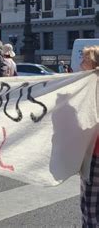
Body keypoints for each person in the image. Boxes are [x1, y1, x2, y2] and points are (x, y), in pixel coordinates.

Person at [79, 45, 99, 227]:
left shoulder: (94, 85)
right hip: (91, 151)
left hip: (96, 154)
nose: (80, 64)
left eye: (85, 60)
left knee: (90, 206)